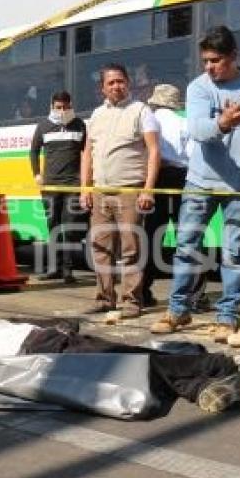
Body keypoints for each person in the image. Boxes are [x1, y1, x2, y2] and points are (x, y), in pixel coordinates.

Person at [151, 26, 240, 340]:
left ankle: (228, 316)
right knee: (186, 246)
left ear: (233, 56)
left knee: (234, 251)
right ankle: (178, 310)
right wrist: (223, 123)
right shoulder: (199, 87)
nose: (209, 67)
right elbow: (198, 130)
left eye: (215, 60)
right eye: (205, 61)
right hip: (201, 181)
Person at [0, 316, 240, 414]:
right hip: (37, 355)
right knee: (134, 361)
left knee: (136, 363)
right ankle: (226, 364)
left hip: (47, 341)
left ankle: (203, 389)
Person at [80, 63, 160, 318]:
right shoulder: (96, 115)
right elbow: (87, 154)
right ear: (102, 88)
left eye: (120, 81)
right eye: (111, 82)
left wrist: (148, 190)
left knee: (131, 248)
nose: (116, 86)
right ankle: (105, 298)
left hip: (130, 191)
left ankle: (131, 301)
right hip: (100, 192)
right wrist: (85, 189)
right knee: (100, 248)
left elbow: (154, 151)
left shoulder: (141, 111)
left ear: (128, 83)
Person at [140, 83, 204, 308]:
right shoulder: (184, 123)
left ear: (155, 102)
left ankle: (142, 293)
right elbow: (192, 155)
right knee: (188, 238)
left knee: (148, 239)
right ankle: (195, 297)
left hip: (154, 180)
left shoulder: (149, 121)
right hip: (182, 178)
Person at [29, 90, 86, 283]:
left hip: (73, 185)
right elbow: (34, 151)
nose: (62, 111)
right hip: (50, 185)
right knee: (53, 227)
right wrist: (37, 174)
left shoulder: (80, 125)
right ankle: (54, 268)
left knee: (69, 228)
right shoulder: (43, 126)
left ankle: (68, 270)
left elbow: (87, 154)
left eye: (65, 107)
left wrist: (84, 181)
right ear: (52, 107)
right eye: (58, 107)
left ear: (71, 106)